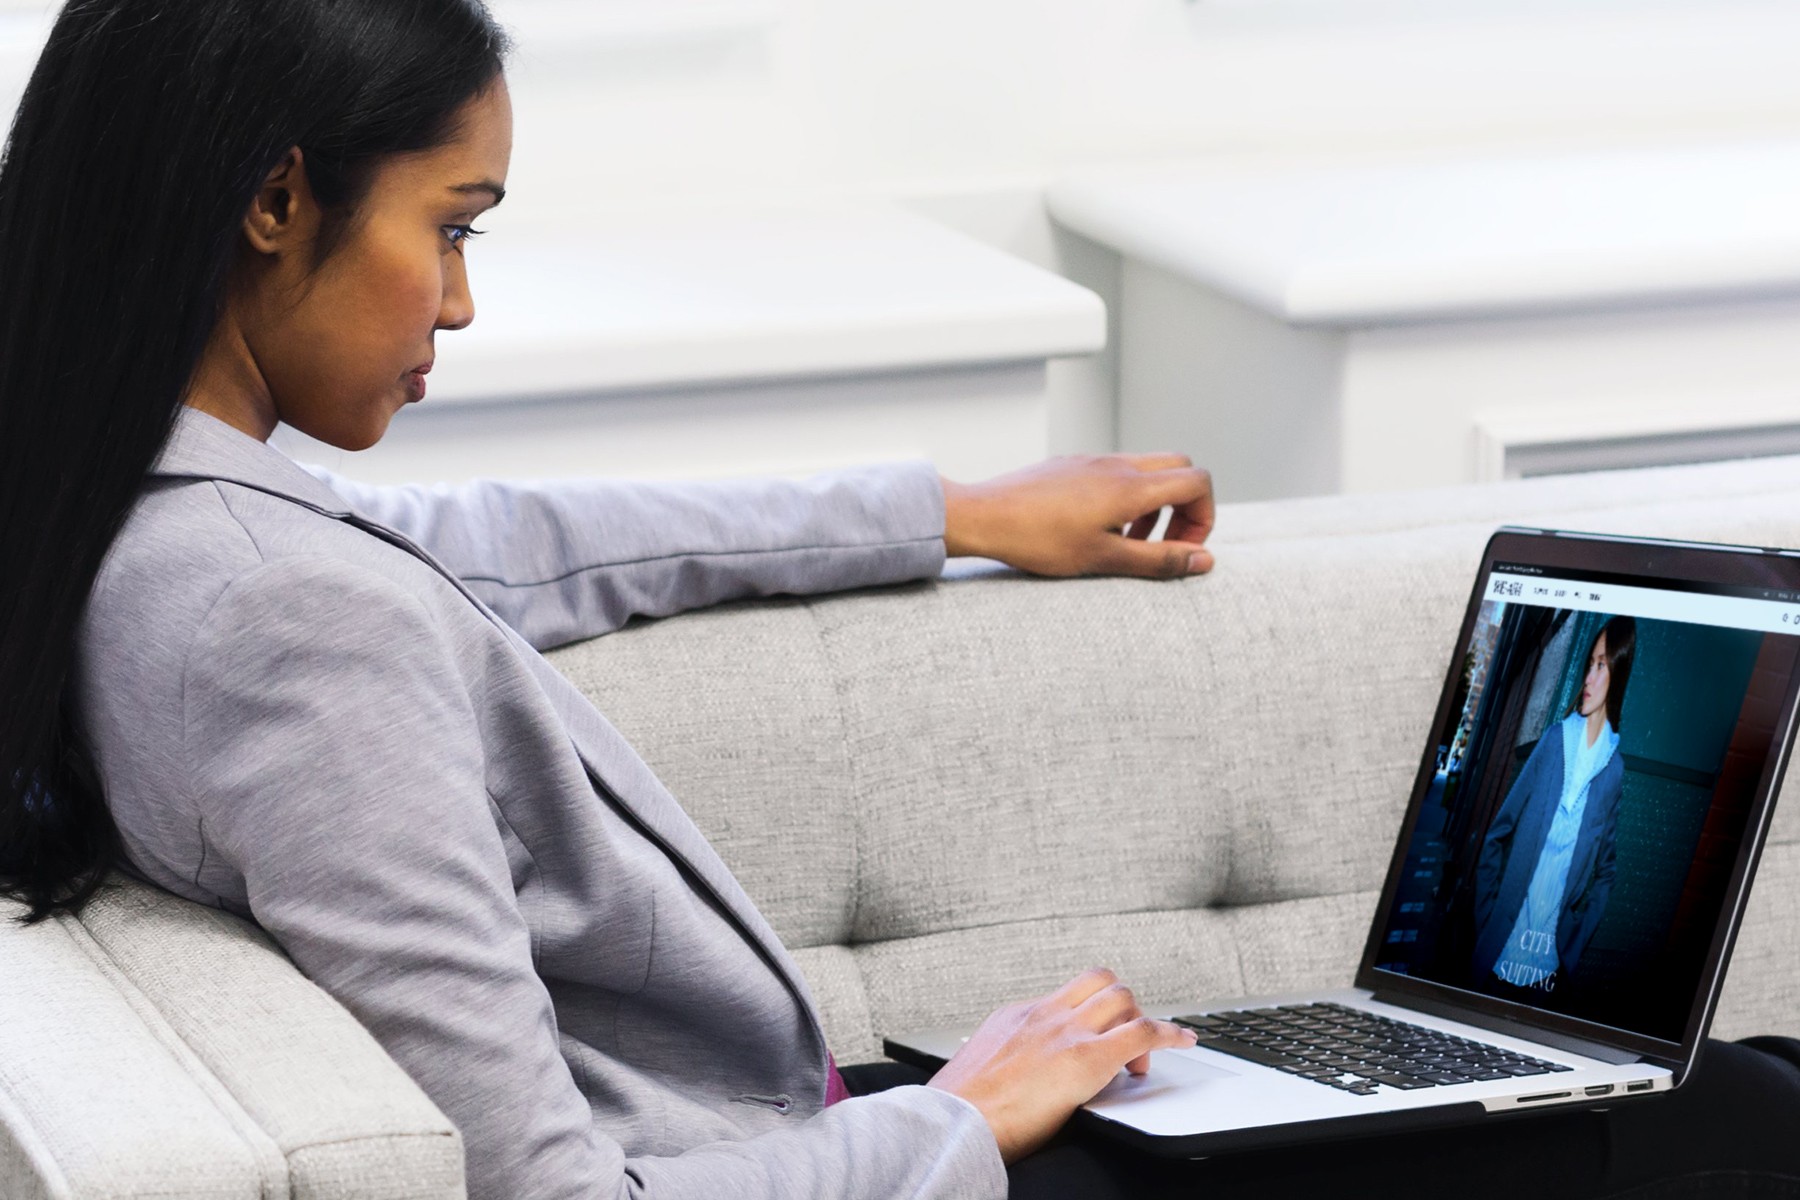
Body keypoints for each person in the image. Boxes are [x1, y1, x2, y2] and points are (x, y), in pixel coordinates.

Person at [0, 4, 1793, 1199]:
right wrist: (957, 1118)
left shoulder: (135, 517)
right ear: (273, 199)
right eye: (453, 226)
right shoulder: (284, 619)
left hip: (833, 1130)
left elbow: (507, 538)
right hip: (848, 1164)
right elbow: (543, 1194)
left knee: (1697, 1091)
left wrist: (960, 512)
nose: (458, 306)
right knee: (1701, 1112)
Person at [1473, 617, 1634, 995]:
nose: (1589, 679)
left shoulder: (1613, 771)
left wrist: (1572, 946)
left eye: (1601, 666)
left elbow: (1606, 873)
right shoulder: (1553, 742)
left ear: (1618, 674)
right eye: (1589, 665)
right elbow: (1499, 831)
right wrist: (1487, 918)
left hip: (1547, 975)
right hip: (1497, 957)